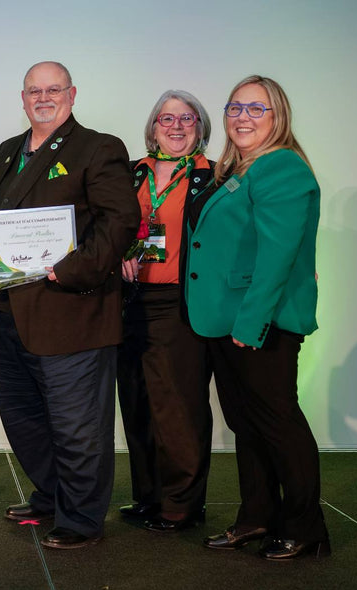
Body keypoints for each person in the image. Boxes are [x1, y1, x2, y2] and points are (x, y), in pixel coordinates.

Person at [0, 61, 139, 549]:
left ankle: (81, 518)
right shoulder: (8, 150)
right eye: (34, 91)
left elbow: (120, 221)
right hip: (5, 311)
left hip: (69, 310)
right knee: (25, 419)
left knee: (77, 424)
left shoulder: (98, 147)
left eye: (53, 89)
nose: (43, 98)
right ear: (22, 98)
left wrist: (74, 268)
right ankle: (53, 494)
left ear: (72, 94)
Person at [185, 75, 328, 560]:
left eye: (256, 109)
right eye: (235, 107)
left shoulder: (281, 166)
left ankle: (306, 528)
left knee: (278, 425)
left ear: (277, 116)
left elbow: (277, 257)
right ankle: (257, 518)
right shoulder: (241, 169)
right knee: (247, 427)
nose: (242, 117)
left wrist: (252, 324)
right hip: (228, 319)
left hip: (261, 322)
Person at [117, 91, 214, 532]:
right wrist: (118, 253)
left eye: (186, 119)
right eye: (167, 119)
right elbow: (108, 225)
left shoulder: (214, 177)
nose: (176, 127)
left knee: (177, 406)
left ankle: (182, 504)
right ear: (153, 127)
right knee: (137, 401)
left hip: (180, 302)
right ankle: (149, 496)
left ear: (200, 126)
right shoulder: (131, 172)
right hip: (130, 300)